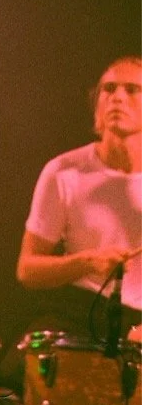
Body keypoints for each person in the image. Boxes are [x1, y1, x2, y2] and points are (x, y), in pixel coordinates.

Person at [16, 56, 142, 338]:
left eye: (132, 90)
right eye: (109, 89)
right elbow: (27, 270)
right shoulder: (63, 171)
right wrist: (86, 262)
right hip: (77, 312)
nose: (117, 98)